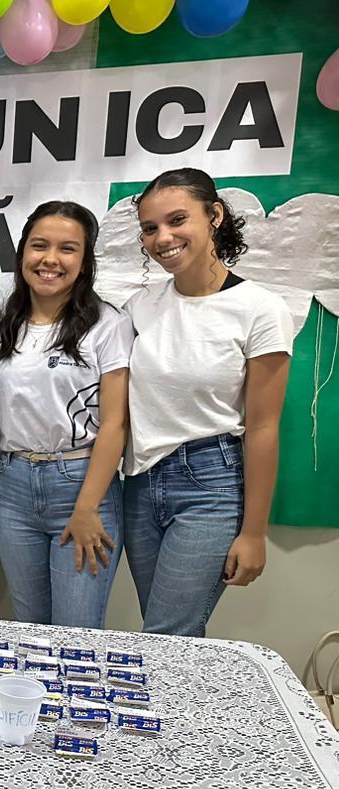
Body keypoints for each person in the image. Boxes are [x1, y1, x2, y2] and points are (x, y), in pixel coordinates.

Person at [124, 168, 293, 637]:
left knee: (167, 634)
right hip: (139, 483)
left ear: (214, 215)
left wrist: (254, 533)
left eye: (178, 220)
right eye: (150, 228)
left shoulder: (261, 308)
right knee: (167, 633)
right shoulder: (141, 306)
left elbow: (263, 427)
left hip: (210, 483)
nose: (163, 237)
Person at [0, 202, 132, 628]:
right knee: (31, 631)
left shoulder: (108, 324)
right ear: (21, 255)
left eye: (67, 249)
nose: (50, 259)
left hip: (82, 485)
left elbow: (115, 423)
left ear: (85, 262)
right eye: (39, 246)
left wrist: (87, 507)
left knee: (77, 634)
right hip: (13, 487)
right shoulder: (6, 321)